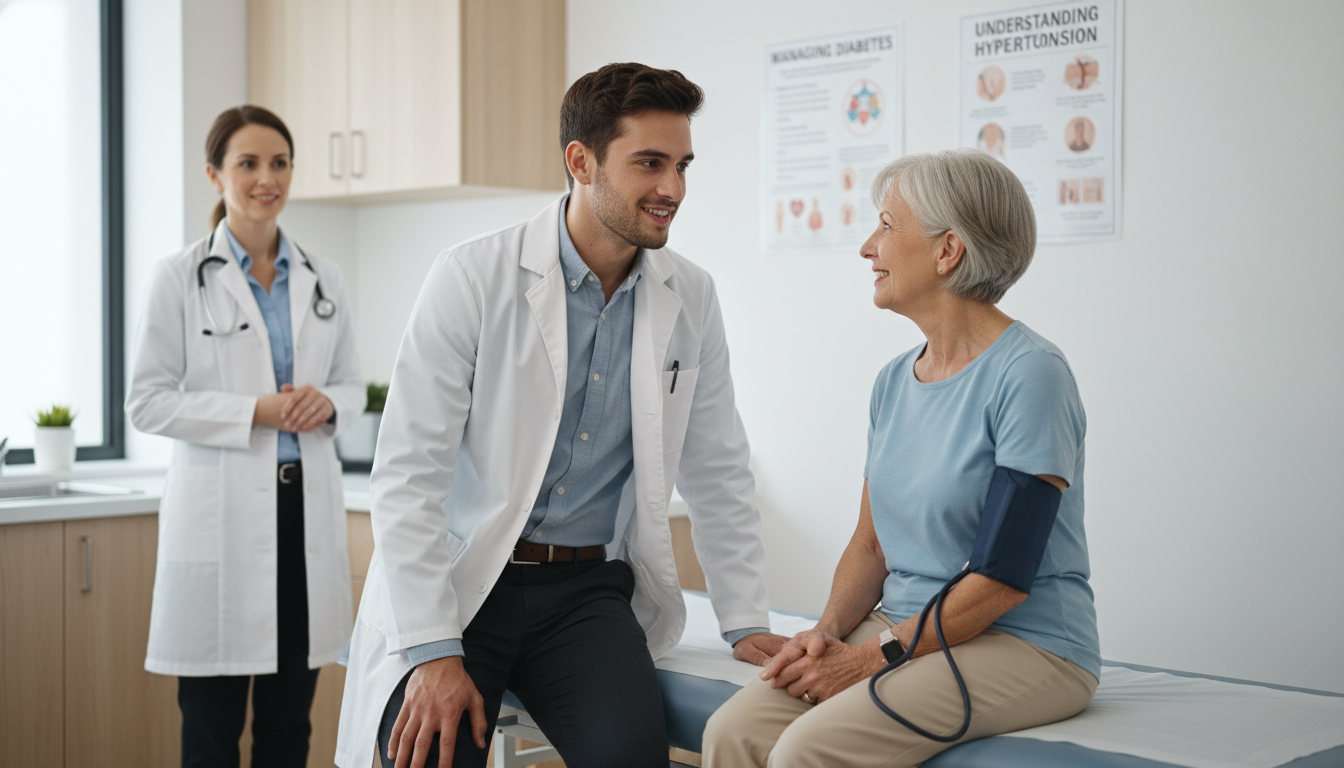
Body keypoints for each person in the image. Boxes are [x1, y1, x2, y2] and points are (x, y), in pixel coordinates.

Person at [334, 63, 786, 768]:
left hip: (584, 596)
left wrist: (746, 619)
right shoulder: (472, 277)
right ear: (581, 161)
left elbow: (717, 465)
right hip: (463, 587)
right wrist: (432, 651)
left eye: (682, 166)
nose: (673, 188)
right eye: (650, 163)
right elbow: (407, 477)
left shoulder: (690, 296)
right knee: (428, 754)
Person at [702, 149, 1100, 768]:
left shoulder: (1031, 375)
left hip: (1026, 643)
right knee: (731, 733)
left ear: (948, 251)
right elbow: (871, 547)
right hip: (904, 628)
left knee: (808, 750)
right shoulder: (893, 381)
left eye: (886, 225)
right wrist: (826, 633)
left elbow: (1001, 577)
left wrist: (871, 657)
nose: (868, 247)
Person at [127, 105, 365, 768]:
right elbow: (146, 402)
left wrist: (328, 402)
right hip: (223, 522)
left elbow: (353, 384)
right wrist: (253, 412)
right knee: (211, 734)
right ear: (215, 174)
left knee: (289, 730)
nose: (268, 178)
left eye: (280, 163)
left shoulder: (324, 276)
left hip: (302, 517)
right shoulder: (179, 276)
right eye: (249, 163)